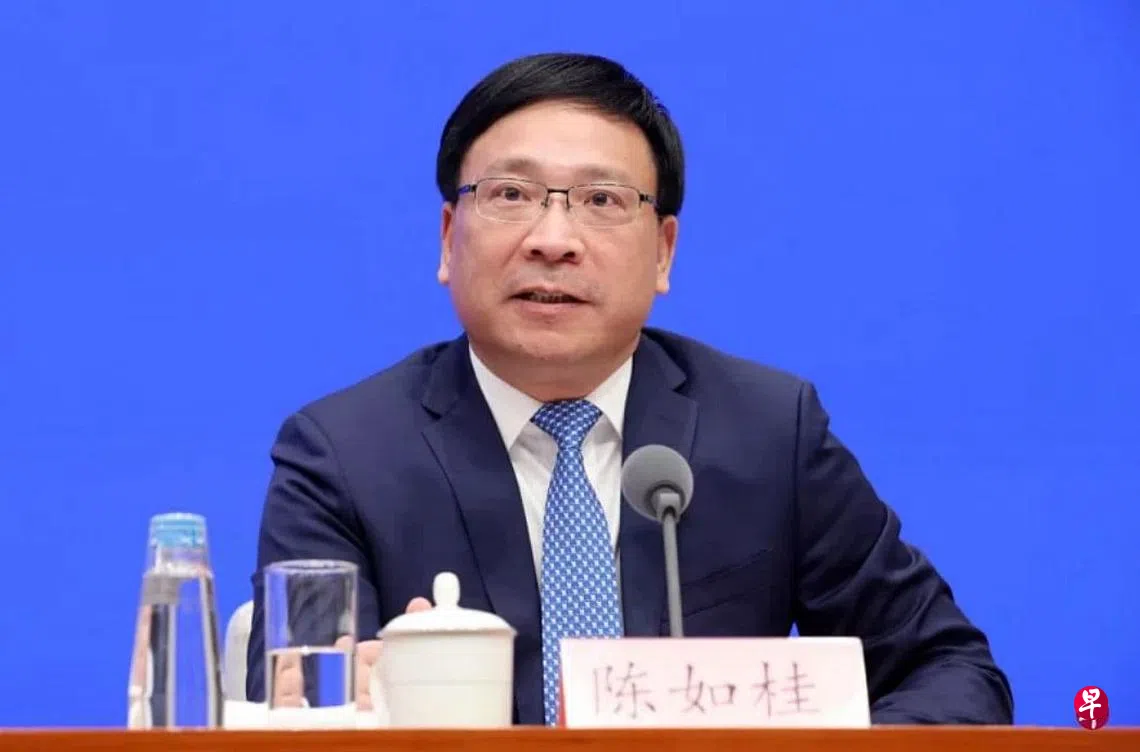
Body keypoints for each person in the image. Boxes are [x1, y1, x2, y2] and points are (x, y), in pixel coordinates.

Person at [246, 51, 1013, 725]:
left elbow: (950, 670)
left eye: (602, 201)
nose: (553, 240)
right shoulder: (343, 455)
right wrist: (354, 706)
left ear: (663, 253)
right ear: (449, 238)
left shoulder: (769, 432)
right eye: (511, 195)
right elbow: (291, 691)